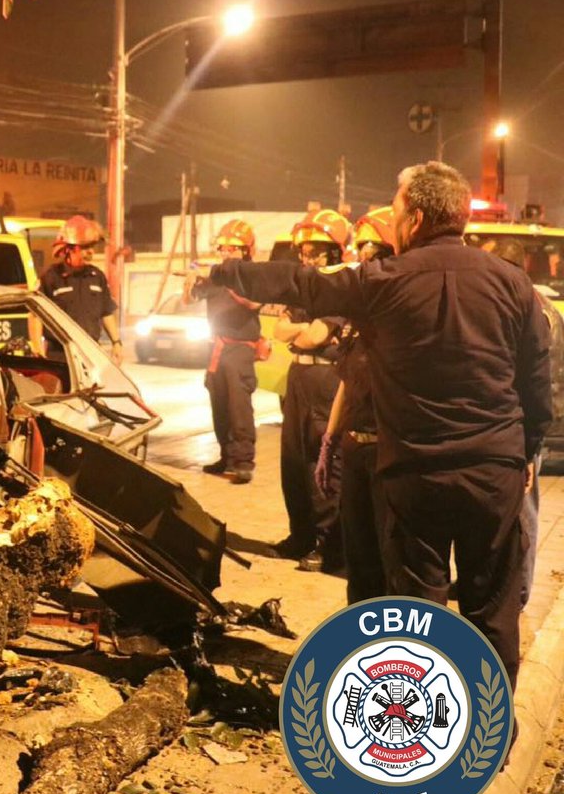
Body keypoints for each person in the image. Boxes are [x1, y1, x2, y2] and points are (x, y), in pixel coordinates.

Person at [187, 161, 553, 690]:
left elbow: (303, 284)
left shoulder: (385, 281)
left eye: (398, 209)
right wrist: (528, 450)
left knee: (418, 614)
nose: (395, 221)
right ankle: (490, 731)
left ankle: (430, 730)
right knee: (491, 608)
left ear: (418, 217)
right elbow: (535, 380)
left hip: (414, 474)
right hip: (493, 471)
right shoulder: (513, 284)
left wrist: (224, 272)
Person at [315, 206, 396, 603]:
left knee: (392, 562)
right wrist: (329, 440)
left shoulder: (403, 313)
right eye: (360, 246)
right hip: (355, 448)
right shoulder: (356, 315)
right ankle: (362, 645)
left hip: (393, 455)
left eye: (373, 247)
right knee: (360, 561)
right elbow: (347, 383)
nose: (363, 254)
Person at [272, 209, 351, 571]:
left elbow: (316, 335)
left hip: (325, 380)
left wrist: (302, 332)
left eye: (315, 250)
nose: (307, 257)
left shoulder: (341, 289)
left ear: (333, 253)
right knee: (292, 461)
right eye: (304, 250)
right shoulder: (303, 290)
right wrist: (301, 332)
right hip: (298, 379)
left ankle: (326, 542)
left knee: (321, 463)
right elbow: (281, 331)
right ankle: (300, 534)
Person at [199, 219, 262, 484]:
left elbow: (255, 302)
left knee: (239, 406)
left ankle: (244, 461)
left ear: (246, 251)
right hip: (216, 346)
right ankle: (226, 455)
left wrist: (230, 282)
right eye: (222, 248)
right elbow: (189, 296)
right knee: (219, 403)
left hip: (239, 349)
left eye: (232, 248)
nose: (226, 253)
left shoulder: (252, 275)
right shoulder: (215, 275)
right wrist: (193, 278)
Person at [35, 215, 122, 364]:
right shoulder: (51, 277)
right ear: (69, 249)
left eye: (92, 247)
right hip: (60, 355)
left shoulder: (97, 276)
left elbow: (106, 312)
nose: (91, 252)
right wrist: (37, 350)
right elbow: (35, 316)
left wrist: (116, 342)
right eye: (84, 247)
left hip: (91, 352)